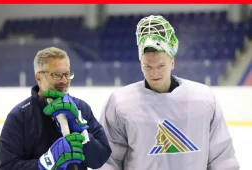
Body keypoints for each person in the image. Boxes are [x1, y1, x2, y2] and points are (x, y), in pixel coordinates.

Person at [98, 15, 239, 170]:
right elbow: (108, 160)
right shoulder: (120, 104)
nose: (154, 73)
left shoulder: (204, 100)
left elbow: (222, 159)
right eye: (148, 67)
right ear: (140, 65)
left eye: (160, 66)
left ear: (172, 62)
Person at [0, 47, 111, 170]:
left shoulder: (81, 108)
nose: (64, 80)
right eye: (56, 75)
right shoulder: (20, 116)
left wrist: (81, 131)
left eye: (67, 74)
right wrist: (45, 163)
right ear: (38, 77)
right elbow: (7, 166)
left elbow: (100, 158)